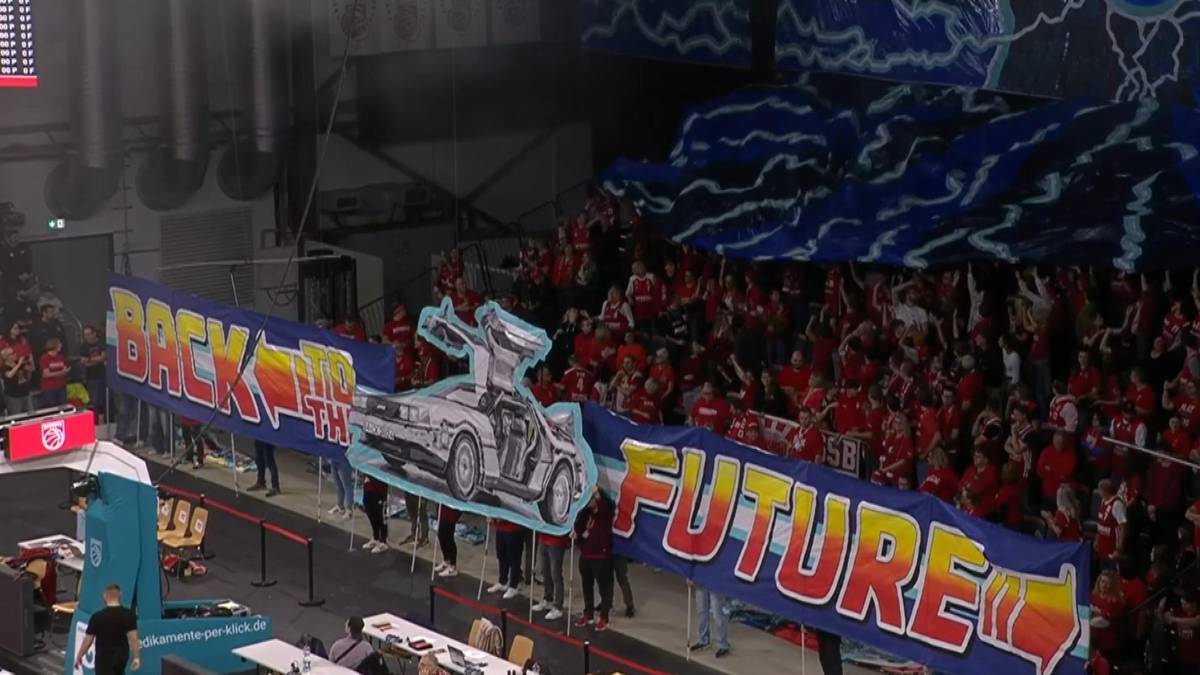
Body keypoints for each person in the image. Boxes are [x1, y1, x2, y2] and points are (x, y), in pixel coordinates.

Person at [74, 584, 140, 674]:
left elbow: (88, 640)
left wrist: (79, 655)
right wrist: (136, 657)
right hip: (121, 657)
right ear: (120, 595)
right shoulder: (129, 615)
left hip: (103, 658)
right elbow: (134, 639)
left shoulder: (97, 617)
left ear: (105, 596)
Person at [574, 487, 614, 632]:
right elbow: (578, 526)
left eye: (591, 498)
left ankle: (604, 617)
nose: (588, 501)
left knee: (604, 589)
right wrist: (577, 535)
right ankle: (588, 614)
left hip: (600, 556)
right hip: (586, 556)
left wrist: (597, 493)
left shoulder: (605, 514)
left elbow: (606, 508)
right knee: (586, 587)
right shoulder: (586, 514)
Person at [534, 528, 569, 621]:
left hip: (556, 540)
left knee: (556, 575)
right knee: (545, 571)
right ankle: (548, 599)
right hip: (544, 538)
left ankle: (558, 607)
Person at [688, 582, 731, 658]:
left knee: (717, 613)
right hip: (700, 578)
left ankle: (723, 645)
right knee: (701, 610)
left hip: (715, 579)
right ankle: (703, 640)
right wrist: (690, 576)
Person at [488, 519, 525, 600]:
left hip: (514, 528)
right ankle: (502, 581)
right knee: (501, 555)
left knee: (514, 558)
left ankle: (514, 586)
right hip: (500, 527)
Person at [37, 336, 68, 407]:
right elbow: (45, 374)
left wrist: (65, 371)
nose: (61, 345)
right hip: (49, 389)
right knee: (52, 408)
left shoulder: (61, 356)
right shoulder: (44, 358)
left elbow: (64, 368)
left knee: (63, 407)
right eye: (59, 344)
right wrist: (60, 373)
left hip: (61, 386)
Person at [362, 475, 389, 554]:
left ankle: (383, 541)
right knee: (370, 512)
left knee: (380, 514)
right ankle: (375, 538)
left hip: (379, 489)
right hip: (368, 487)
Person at [434, 504, 461, 578]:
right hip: (442, 508)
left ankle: (453, 567)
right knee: (441, 535)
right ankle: (446, 560)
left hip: (451, 511)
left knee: (449, 538)